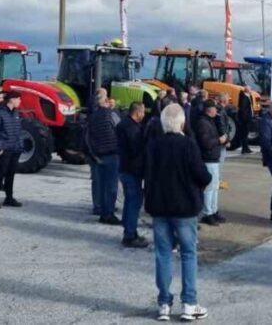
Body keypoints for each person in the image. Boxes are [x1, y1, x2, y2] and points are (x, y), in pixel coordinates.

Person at [143, 103, 212, 322]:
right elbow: (202, 175)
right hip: (184, 207)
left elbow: (147, 173)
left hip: (160, 206)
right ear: (182, 122)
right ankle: (189, 304)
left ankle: (164, 303)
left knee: (163, 254)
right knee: (188, 254)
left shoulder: (154, 145)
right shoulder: (188, 145)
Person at [117, 101, 149, 248]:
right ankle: (129, 234)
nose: (144, 115)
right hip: (132, 170)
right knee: (133, 203)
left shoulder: (123, 125)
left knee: (130, 201)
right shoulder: (133, 129)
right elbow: (136, 150)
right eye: (143, 112)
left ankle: (130, 231)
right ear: (138, 112)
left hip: (124, 167)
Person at [87, 90, 122, 224]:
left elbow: (88, 137)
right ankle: (109, 213)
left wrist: (93, 154)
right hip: (112, 153)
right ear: (106, 102)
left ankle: (102, 210)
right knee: (112, 186)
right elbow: (120, 129)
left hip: (98, 155)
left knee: (100, 184)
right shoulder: (111, 115)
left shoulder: (93, 117)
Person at [194, 99, 226, 226]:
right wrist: (219, 140)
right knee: (209, 188)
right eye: (215, 108)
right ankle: (207, 213)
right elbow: (205, 142)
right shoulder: (202, 123)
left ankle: (213, 210)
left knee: (215, 187)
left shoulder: (211, 121)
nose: (217, 111)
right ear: (209, 109)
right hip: (208, 159)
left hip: (213, 158)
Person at [0, 91, 23, 209]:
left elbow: (19, 131)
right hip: (4, 149)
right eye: (18, 99)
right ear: (11, 99)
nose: (20, 101)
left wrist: (20, 145)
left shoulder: (16, 113)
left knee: (11, 174)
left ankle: (9, 197)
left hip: (15, 149)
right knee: (0, 174)